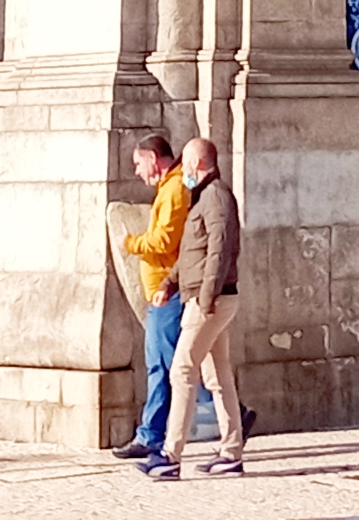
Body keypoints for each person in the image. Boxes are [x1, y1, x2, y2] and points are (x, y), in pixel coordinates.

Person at [148, 133, 245, 481]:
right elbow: (192, 251)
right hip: (204, 297)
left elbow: (219, 252)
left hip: (211, 300)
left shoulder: (217, 198)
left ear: (198, 163)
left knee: (182, 371)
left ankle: (170, 455)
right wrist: (168, 283)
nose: (183, 169)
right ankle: (231, 452)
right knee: (216, 376)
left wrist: (205, 299)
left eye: (187, 162)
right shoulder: (201, 197)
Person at [113, 133, 191, 463]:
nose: (136, 171)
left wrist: (130, 243)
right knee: (175, 363)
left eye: (138, 163)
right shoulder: (169, 188)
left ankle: (150, 435)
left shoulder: (174, 189)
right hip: (162, 289)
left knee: (164, 365)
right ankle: (234, 415)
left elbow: (165, 239)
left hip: (167, 290)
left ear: (153, 159)